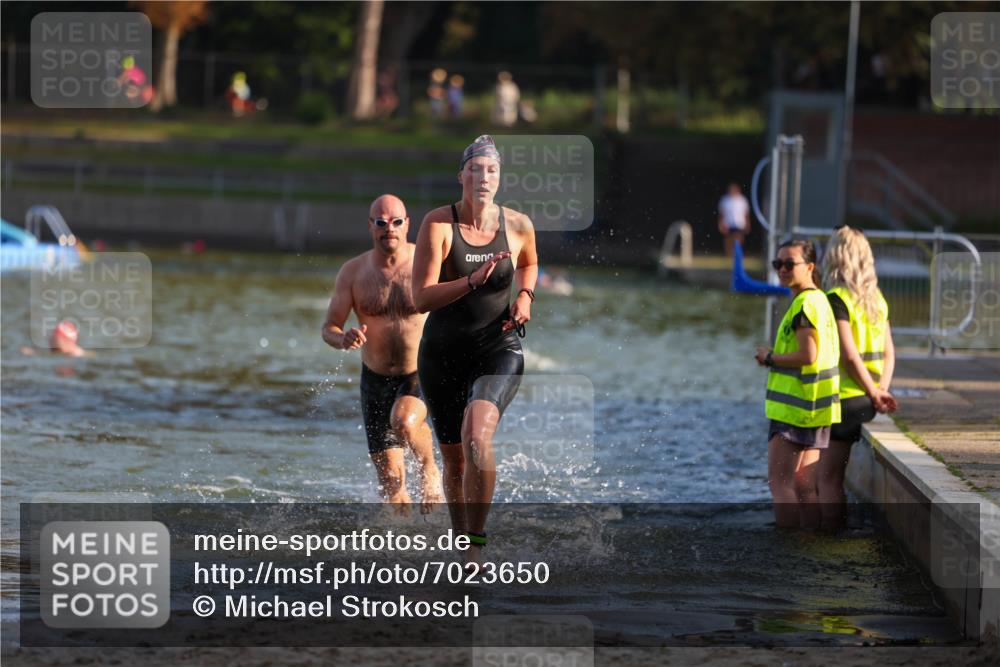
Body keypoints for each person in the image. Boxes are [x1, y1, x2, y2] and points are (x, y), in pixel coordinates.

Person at [412, 135, 538, 565]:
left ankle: (476, 547)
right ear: (462, 175)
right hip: (441, 353)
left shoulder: (518, 224)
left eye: (492, 170)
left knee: (476, 437)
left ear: (499, 178)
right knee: (454, 462)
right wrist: (470, 281)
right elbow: (420, 298)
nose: (484, 177)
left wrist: (525, 298)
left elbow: (529, 263)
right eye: (476, 169)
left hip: (497, 346)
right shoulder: (438, 224)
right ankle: (461, 537)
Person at [322, 195, 443, 513]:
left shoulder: (426, 263)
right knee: (391, 483)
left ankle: (429, 466)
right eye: (381, 222)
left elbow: (458, 306)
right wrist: (342, 338)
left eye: (396, 221)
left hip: (419, 372)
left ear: (407, 225)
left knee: (403, 421)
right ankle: (403, 551)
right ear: (370, 226)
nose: (389, 228)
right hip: (374, 380)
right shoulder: (352, 272)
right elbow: (329, 327)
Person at [755, 239, 841, 530]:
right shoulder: (821, 301)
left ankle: (787, 552)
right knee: (805, 487)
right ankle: (810, 545)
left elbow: (808, 355)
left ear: (810, 267)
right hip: (816, 407)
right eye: (777, 263)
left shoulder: (804, 305)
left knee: (780, 485)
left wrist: (770, 358)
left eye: (790, 264)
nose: (782, 269)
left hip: (794, 410)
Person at [818, 226, 898, 531]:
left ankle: (829, 537)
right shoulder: (877, 299)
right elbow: (890, 353)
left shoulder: (836, 298)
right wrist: (880, 392)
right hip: (867, 400)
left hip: (843, 401)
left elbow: (849, 356)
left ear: (835, 257)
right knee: (833, 477)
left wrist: (873, 392)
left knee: (826, 479)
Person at [717, 182, 751, 258]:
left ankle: (737, 254)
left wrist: (747, 224)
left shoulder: (742, 200)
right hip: (728, 223)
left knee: (738, 238)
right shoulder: (725, 200)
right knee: (728, 239)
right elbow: (721, 213)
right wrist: (721, 223)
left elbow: (746, 213)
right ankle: (728, 255)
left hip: (739, 223)